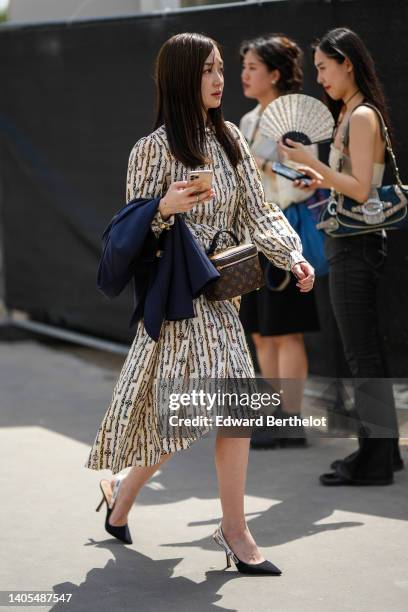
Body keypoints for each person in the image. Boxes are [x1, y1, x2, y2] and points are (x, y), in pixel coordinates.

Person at [85, 32, 315, 572]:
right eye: (208, 70)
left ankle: (232, 529)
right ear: (181, 79)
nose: (218, 80)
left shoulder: (232, 138)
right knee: (179, 422)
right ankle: (123, 493)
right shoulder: (151, 148)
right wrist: (164, 206)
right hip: (176, 302)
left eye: (220, 68)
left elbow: (259, 212)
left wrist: (292, 256)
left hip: (219, 299)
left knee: (218, 412)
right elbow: (127, 233)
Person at [280, 27, 404, 485]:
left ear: (346, 62)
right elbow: (349, 182)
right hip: (349, 241)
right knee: (365, 353)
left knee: (362, 355)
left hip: (358, 245)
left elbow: (362, 189)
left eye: (323, 68)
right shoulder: (349, 112)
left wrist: (313, 163)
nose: (319, 78)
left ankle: (373, 462)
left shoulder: (362, 115)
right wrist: (318, 179)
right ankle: (383, 456)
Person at [239, 34, 320, 448]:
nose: (243, 75)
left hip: (285, 231)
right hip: (254, 234)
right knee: (261, 332)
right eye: (244, 67)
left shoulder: (296, 119)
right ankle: (272, 412)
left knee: (287, 330)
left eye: (252, 67)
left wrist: (266, 165)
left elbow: (307, 184)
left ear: (274, 73)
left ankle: (291, 418)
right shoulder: (250, 121)